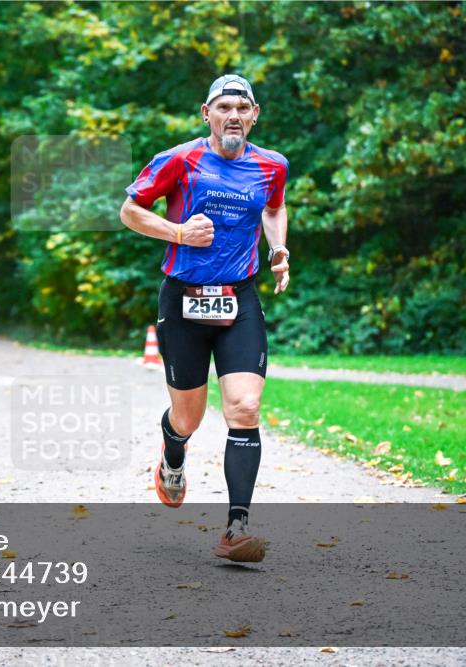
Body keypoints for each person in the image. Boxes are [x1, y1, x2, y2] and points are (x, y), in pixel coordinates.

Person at [119, 74, 290, 563]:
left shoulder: (271, 165)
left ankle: (236, 529)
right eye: (223, 106)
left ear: (254, 115)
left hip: (239, 299)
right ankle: (173, 452)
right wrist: (177, 232)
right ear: (206, 113)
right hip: (183, 300)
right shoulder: (181, 158)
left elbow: (275, 208)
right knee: (188, 417)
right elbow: (131, 211)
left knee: (244, 408)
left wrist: (278, 247)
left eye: (242, 106)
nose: (233, 114)